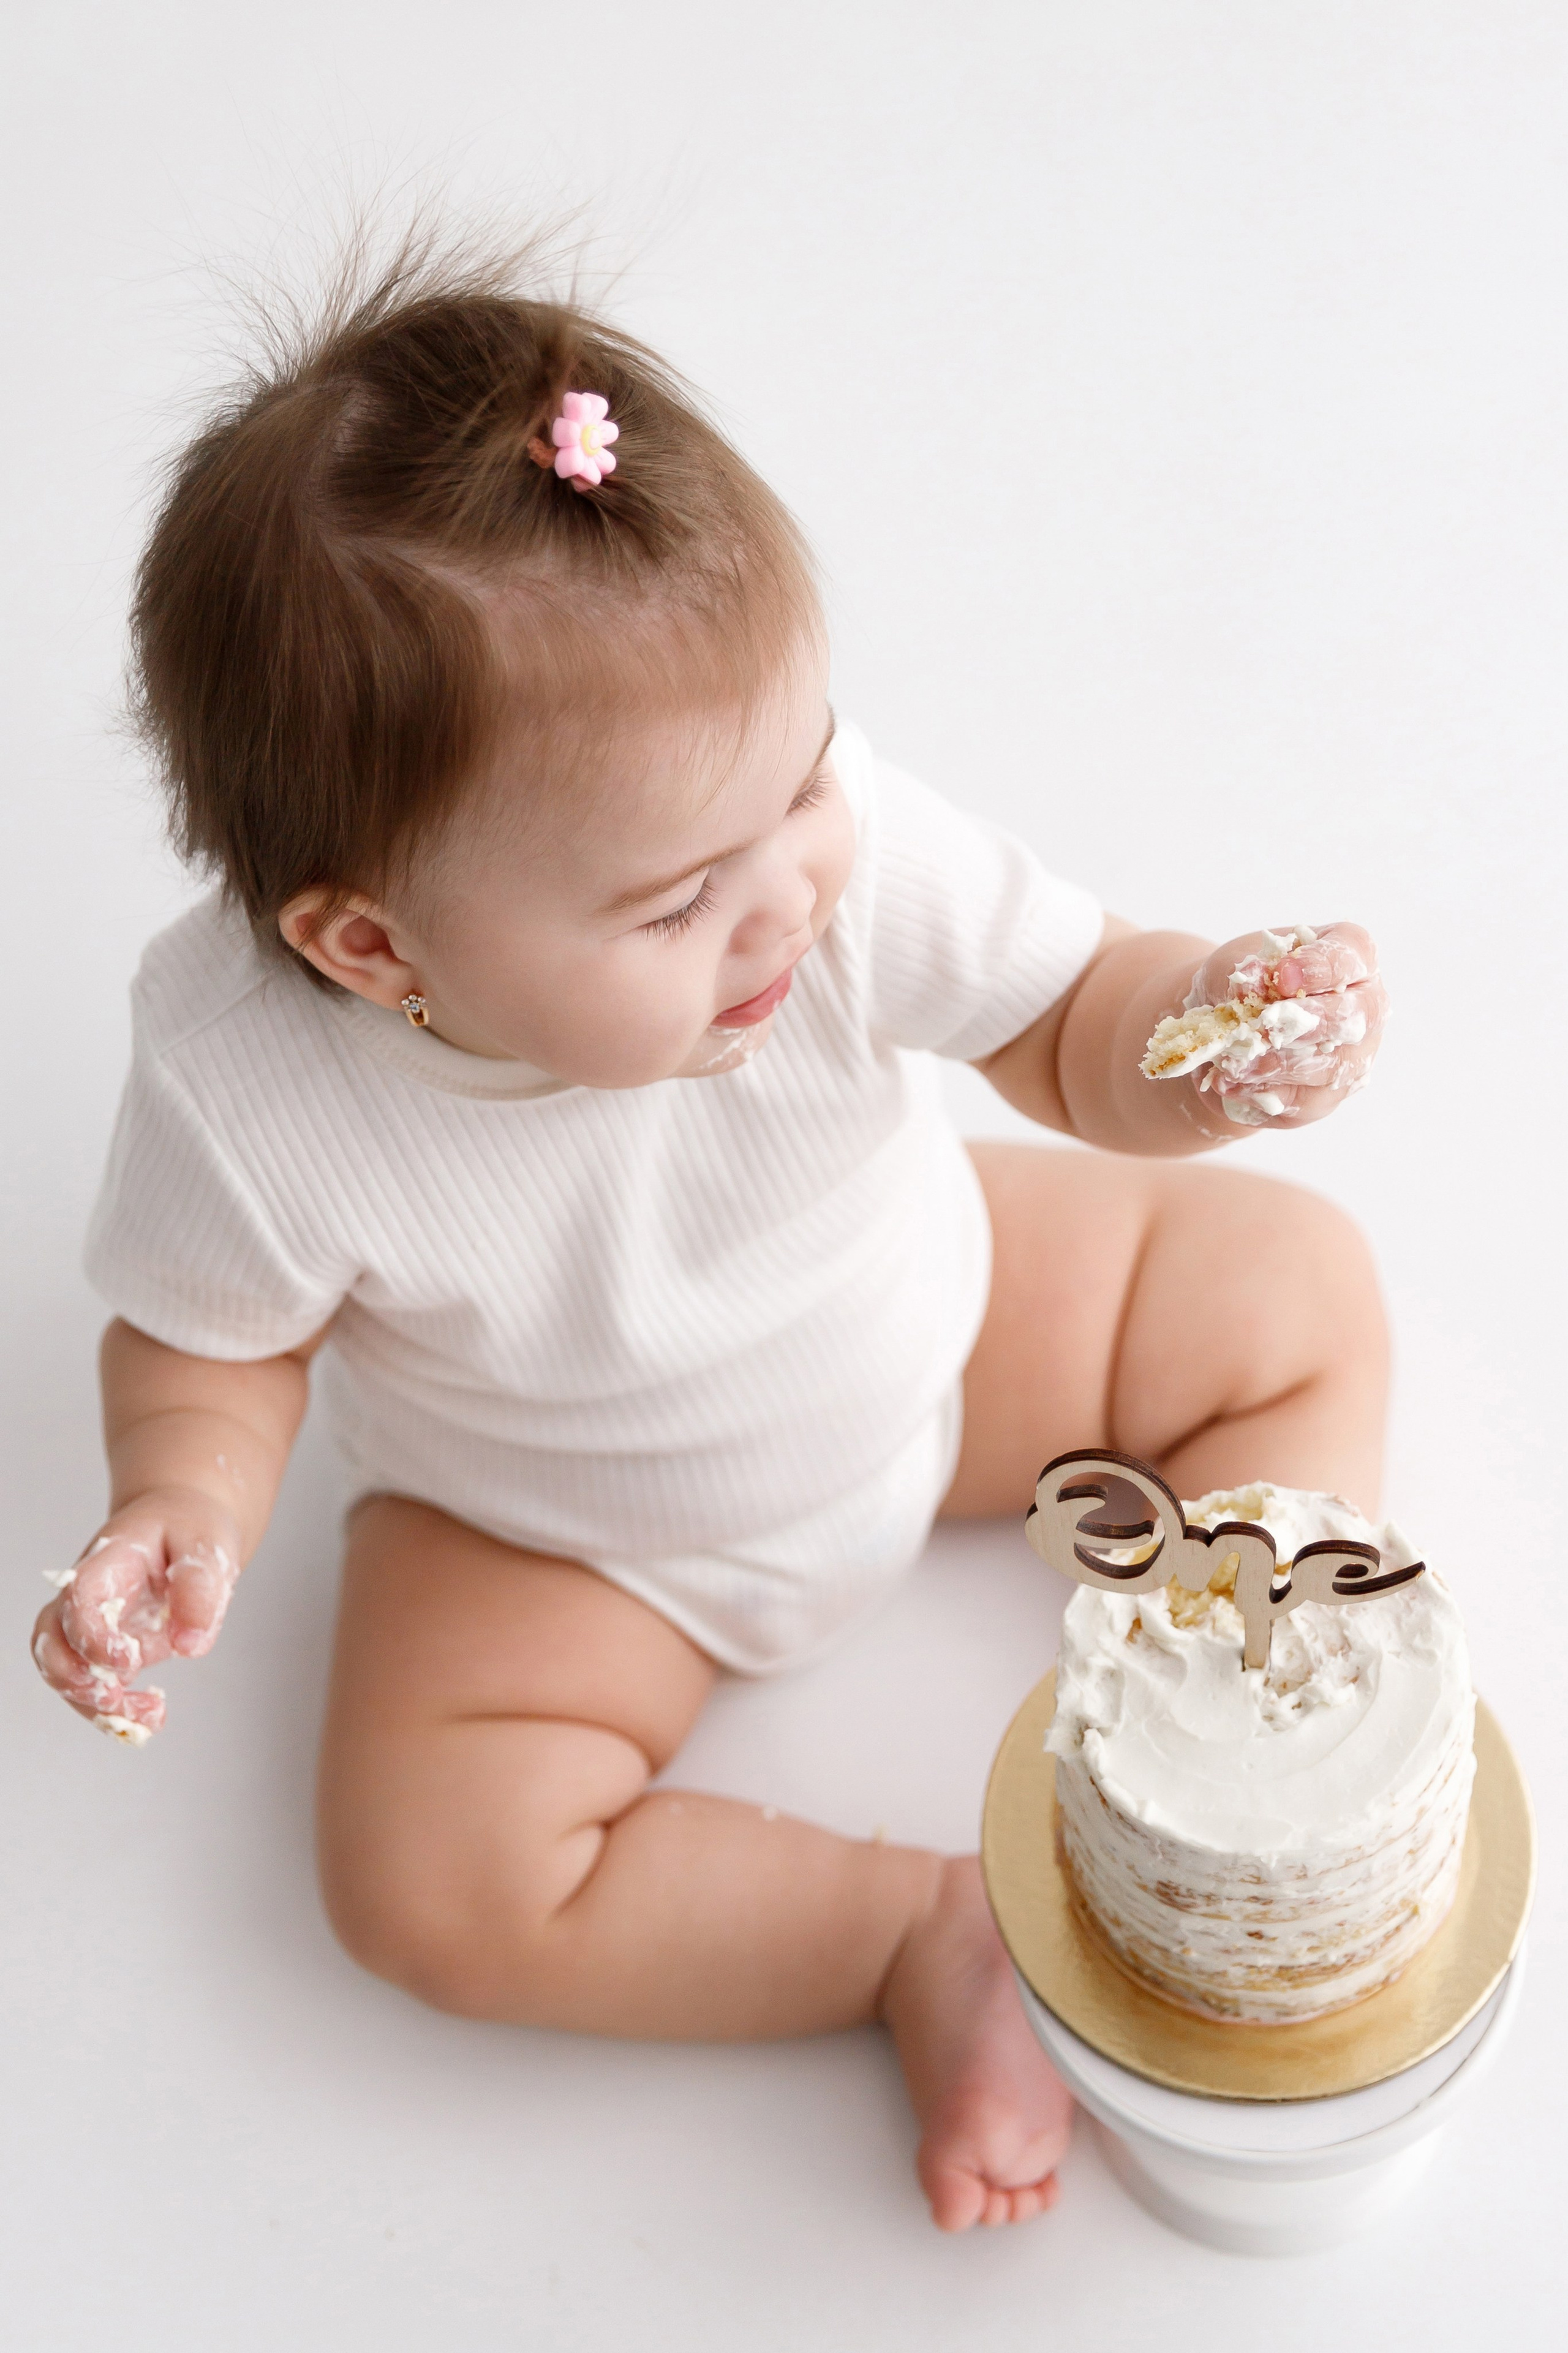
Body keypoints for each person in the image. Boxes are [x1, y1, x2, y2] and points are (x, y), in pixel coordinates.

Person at [32, 244, 1388, 2232]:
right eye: (673, 904)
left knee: (1291, 1289)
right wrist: (180, 1494)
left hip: (928, 1325)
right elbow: (206, 1340)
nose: (784, 905)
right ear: (372, 945)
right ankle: (909, 1934)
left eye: (808, 770)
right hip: (570, 1537)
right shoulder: (248, 1080)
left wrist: (1204, 1033)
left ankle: (1264, 1689)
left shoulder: (800, 845)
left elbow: (1068, 1009)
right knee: (427, 1880)